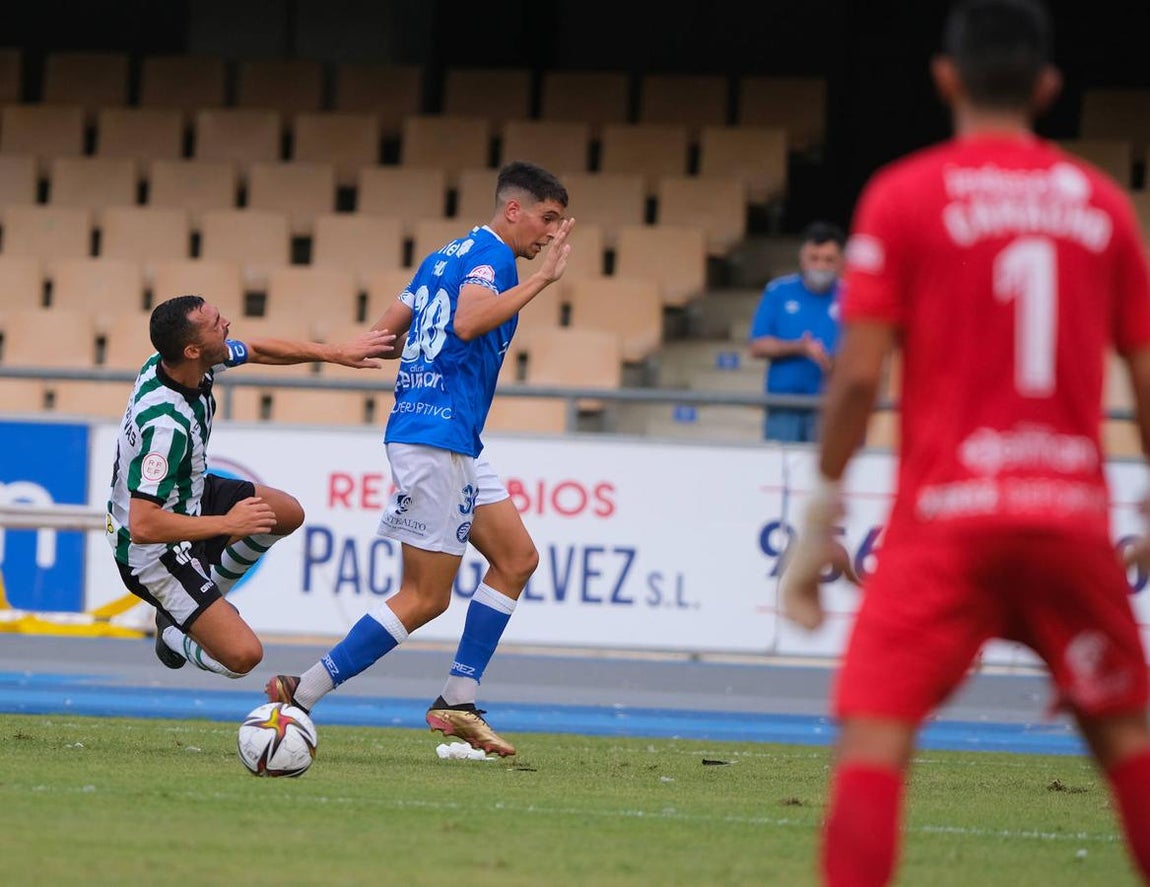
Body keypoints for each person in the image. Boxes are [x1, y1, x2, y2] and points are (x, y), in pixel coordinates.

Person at [779, 1, 1150, 884]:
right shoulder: (1103, 205)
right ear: (1049, 87)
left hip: (948, 518)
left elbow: (860, 378)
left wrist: (818, 514)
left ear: (945, 78)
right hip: (1068, 516)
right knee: (1129, 739)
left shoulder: (906, 195)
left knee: (874, 738)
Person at [266, 161, 574, 757]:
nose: (551, 234)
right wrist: (541, 283)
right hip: (437, 436)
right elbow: (467, 320)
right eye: (548, 218)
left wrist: (359, 355)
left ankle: (457, 699)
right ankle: (301, 691)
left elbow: (386, 333)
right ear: (514, 209)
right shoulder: (496, 260)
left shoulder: (442, 256)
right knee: (426, 596)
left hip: (447, 434)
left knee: (516, 558)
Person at [107, 295, 394, 679]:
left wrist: (335, 352)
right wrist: (228, 524)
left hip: (187, 494)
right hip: (154, 551)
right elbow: (143, 527)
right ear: (192, 349)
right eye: (214, 323)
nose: (226, 322)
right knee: (243, 657)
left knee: (285, 513)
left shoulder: (184, 364)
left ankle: (204, 594)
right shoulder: (165, 426)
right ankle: (174, 633)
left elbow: (258, 349)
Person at [748, 220, 846, 443]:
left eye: (829, 260)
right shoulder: (778, 291)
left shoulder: (852, 298)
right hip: (784, 406)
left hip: (831, 407)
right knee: (781, 475)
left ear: (841, 262)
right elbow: (757, 345)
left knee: (824, 477)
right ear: (802, 258)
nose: (820, 266)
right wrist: (800, 347)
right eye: (814, 258)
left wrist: (838, 364)